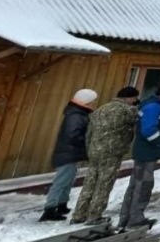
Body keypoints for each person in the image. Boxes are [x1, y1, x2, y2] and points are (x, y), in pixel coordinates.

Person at [70, 86, 140, 226]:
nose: (135, 101)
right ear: (128, 98)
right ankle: (94, 216)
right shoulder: (128, 110)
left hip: (94, 151)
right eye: (134, 98)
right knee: (104, 184)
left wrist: (89, 148)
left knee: (89, 183)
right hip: (111, 153)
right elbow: (135, 122)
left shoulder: (101, 109)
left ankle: (78, 214)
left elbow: (89, 132)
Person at [118, 83, 160, 232]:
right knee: (143, 185)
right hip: (147, 152)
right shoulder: (154, 107)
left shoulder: (152, 105)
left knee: (135, 185)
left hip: (144, 152)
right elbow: (149, 130)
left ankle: (125, 218)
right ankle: (135, 220)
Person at [40, 89, 98, 221]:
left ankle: (61, 204)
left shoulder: (77, 113)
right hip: (68, 152)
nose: (94, 103)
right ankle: (49, 209)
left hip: (70, 151)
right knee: (61, 181)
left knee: (68, 179)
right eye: (92, 100)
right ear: (86, 101)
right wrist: (86, 142)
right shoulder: (76, 116)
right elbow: (73, 134)